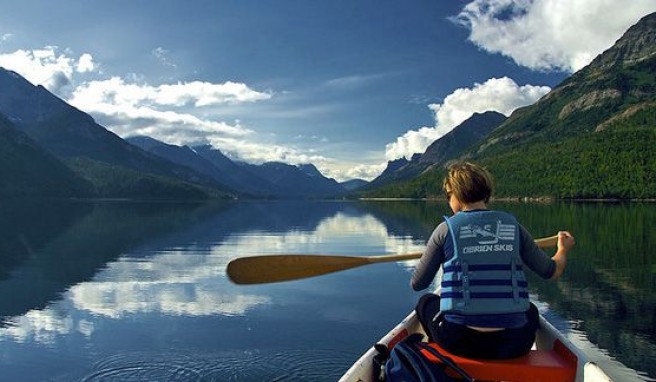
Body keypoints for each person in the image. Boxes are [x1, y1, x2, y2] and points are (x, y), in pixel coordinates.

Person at [411, 161, 575, 359]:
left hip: (459, 341)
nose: (448, 200)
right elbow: (552, 271)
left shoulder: (445, 230)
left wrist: (434, 255)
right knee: (530, 310)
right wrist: (562, 249)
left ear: (457, 194)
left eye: (448, 195)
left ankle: (442, 360)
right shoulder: (514, 227)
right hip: (515, 342)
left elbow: (418, 284)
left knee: (426, 301)